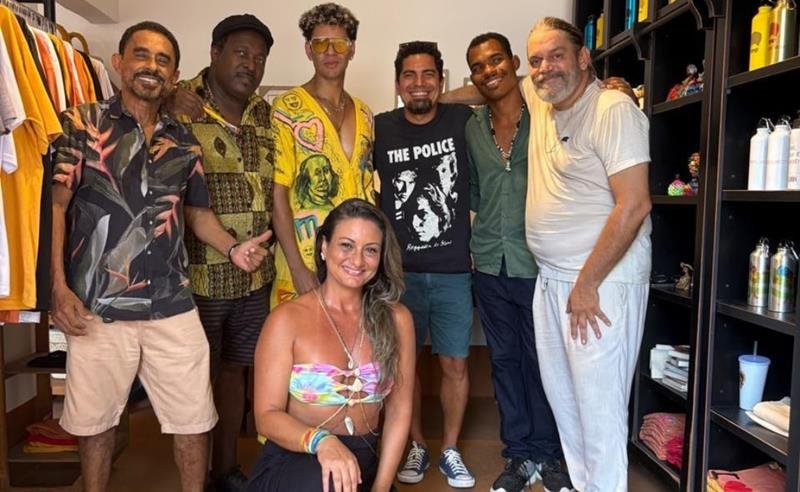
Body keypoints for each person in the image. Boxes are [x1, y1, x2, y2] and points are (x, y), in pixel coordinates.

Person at [50, 21, 270, 492]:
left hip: (172, 302)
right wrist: (57, 287)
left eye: (163, 60)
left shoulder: (184, 141)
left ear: (174, 75)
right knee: (96, 424)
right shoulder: (81, 124)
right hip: (97, 305)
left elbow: (197, 213)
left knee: (194, 418)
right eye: (142, 55)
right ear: (119, 63)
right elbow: (55, 208)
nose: (151, 66)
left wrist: (233, 249)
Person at [523, 17, 652, 492]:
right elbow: (489, 87)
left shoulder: (612, 109)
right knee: (568, 406)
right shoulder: (543, 99)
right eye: (536, 60)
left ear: (583, 58)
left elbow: (634, 204)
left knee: (599, 412)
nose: (544, 68)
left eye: (556, 55)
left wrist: (587, 284)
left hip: (599, 283)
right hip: (554, 278)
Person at [170, 14, 275, 491]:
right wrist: (168, 98)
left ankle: (226, 468)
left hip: (255, 276)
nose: (250, 64)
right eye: (241, 52)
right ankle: (197, 477)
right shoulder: (181, 102)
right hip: (199, 274)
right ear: (215, 53)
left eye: (260, 58)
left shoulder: (264, 114)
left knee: (236, 372)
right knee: (198, 379)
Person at [248, 198, 415, 492]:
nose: (357, 261)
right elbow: (266, 416)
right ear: (324, 247)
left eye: (370, 250)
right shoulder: (286, 319)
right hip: (297, 457)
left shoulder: (397, 319)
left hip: (361, 464)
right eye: (346, 245)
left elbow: (399, 411)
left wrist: (380, 487)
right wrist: (321, 441)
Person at [464, 32, 565, 492]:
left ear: (514, 63)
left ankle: (549, 454)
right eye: (479, 66)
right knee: (504, 362)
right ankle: (519, 456)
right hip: (489, 263)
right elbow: (476, 191)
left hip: (537, 262)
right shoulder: (472, 127)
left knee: (542, 361)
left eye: (496, 60)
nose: (489, 71)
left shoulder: (546, 112)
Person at [373, 41, 475, 488]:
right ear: (397, 83)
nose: (419, 83)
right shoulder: (380, 128)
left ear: (441, 79)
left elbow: (503, 88)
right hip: (400, 275)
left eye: (428, 74)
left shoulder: (461, 120)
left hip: (454, 270)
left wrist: (442, 96)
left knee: (455, 364)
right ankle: (415, 444)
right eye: (410, 76)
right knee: (404, 368)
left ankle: (450, 450)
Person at [270, 2, 375, 308]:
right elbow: (278, 192)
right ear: (308, 50)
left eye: (339, 43)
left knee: (352, 337)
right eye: (320, 43)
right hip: (305, 260)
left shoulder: (365, 113)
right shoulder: (287, 108)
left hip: (355, 265)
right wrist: (297, 268)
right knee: (297, 337)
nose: (330, 51)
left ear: (352, 49)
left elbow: (367, 187)